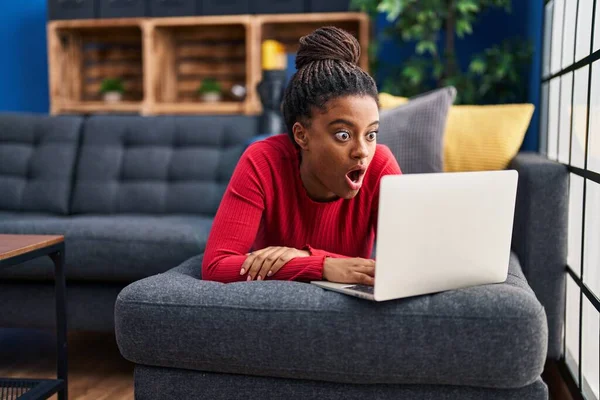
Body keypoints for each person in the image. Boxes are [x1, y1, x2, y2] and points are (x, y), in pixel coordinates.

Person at [202, 26, 402, 285]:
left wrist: (303, 256)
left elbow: (406, 264)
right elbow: (216, 265)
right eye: (343, 135)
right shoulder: (263, 161)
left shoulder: (380, 165)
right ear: (301, 135)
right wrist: (322, 266)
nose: (362, 151)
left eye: (371, 134)